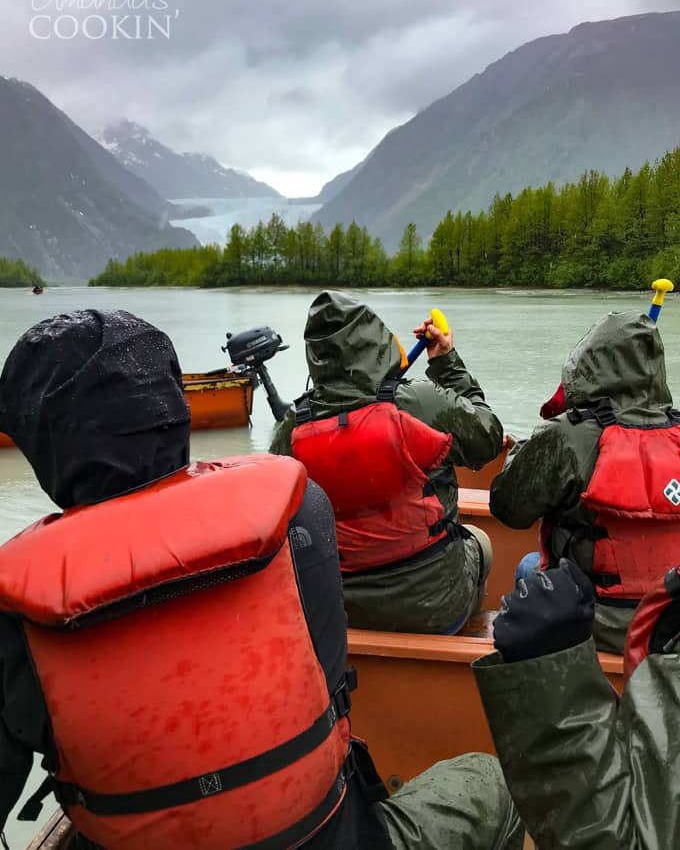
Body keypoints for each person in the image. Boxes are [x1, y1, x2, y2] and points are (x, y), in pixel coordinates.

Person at [0, 309, 522, 850]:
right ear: (175, 410)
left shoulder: (17, 605)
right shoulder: (298, 513)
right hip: (330, 836)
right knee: (493, 782)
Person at [270, 290, 504, 635]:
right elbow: (488, 438)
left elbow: (277, 511)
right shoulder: (418, 401)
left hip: (341, 609)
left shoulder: (294, 424)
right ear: (376, 341)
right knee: (480, 541)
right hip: (436, 607)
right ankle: (459, 650)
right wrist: (445, 362)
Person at [490, 310, 680, 654]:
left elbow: (509, 510)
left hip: (595, 621)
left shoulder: (567, 434)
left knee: (528, 567)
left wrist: (528, 447)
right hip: (673, 623)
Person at [473, 556, 680, 848]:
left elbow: (515, 513)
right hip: (630, 624)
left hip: (604, 617)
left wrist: (548, 661)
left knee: (484, 776)